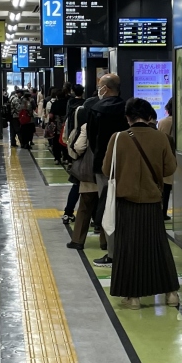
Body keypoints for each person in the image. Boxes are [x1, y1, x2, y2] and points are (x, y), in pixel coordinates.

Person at [102, 98, 179, 309]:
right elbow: (170, 168)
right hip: (153, 201)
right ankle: (171, 294)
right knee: (159, 247)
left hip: (126, 202)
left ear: (128, 117)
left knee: (128, 248)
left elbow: (107, 169)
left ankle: (133, 298)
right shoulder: (161, 138)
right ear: (149, 116)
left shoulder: (118, 138)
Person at [85, 74, 127, 267]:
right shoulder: (127, 108)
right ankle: (127, 250)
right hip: (125, 166)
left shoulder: (96, 109)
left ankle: (111, 253)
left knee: (108, 207)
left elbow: (92, 139)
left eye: (100, 85)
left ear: (106, 88)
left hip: (103, 165)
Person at [64, 102, 99, 249]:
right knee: (106, 206)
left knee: (85, 205)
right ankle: (105, 242)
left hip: (90, 171)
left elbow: (78, 147)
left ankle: (78, 240)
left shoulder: (87, 126)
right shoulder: (115, 125)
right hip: (108, 172)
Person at [61, 86, 84, 224]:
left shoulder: (71, 108)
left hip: (77, 157)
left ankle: (68, 213)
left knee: (76, 185)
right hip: (91, 160)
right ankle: (96, 220)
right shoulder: (87, 126)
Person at [157, 98, 175, 221]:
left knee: (165, 186)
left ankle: (162, 211)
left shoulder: (162, 122)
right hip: (178, 156)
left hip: (164, 155)